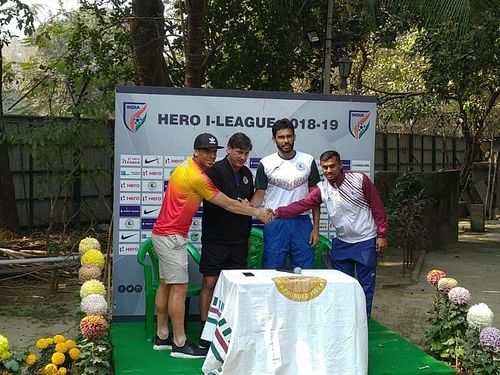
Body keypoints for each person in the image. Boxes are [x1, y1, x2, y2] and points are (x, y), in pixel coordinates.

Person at [151, 133, 272, 359]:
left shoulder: (184, 167)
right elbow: (226, 203)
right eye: (206, 151)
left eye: (213, 151)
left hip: (165, 234)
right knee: (179, 288)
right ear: (196, 151)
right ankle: (179, 343)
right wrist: (257, 212)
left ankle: (162, 336)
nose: (211, 155)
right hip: (171, 237)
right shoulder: (198, 176)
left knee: (166, 284)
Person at [275, 150, 388, 318]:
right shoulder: (322, 188)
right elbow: (303, 204)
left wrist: (382, 234)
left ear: (341, 165)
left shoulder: (359, 180)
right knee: (341, 286)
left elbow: (377, 206)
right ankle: (343, 321)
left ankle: (364, 322)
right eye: (325, 167)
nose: (328, 171)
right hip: (342, 242)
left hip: (365, 240)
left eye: (332, 166)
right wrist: (279, 212)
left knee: (365, 287)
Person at [198, 132, 254, 348]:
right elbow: (214, 202)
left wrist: (247, 204)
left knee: (235, 286)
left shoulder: (248, 173)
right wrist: (238, 204)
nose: (243, 157)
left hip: (240, 240)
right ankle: (205, 329)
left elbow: (248, 202)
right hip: (216, 238)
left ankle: (230, 328)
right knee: (209, 283)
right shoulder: (214, 172)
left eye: (246, 153)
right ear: (229, 149)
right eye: (239, 152)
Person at [251, 118, 320, 269]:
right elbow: (259, 194)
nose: (286, 140)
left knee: (305, 271)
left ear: (295, 137)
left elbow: (315, 197)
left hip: (302, 223)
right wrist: (248, 209)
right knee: (272, 271)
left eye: (289, 136)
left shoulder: (308, 161)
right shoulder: (266, 163)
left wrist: (316, 228)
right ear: (274, 139)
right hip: (275, 222)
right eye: (281, 137)